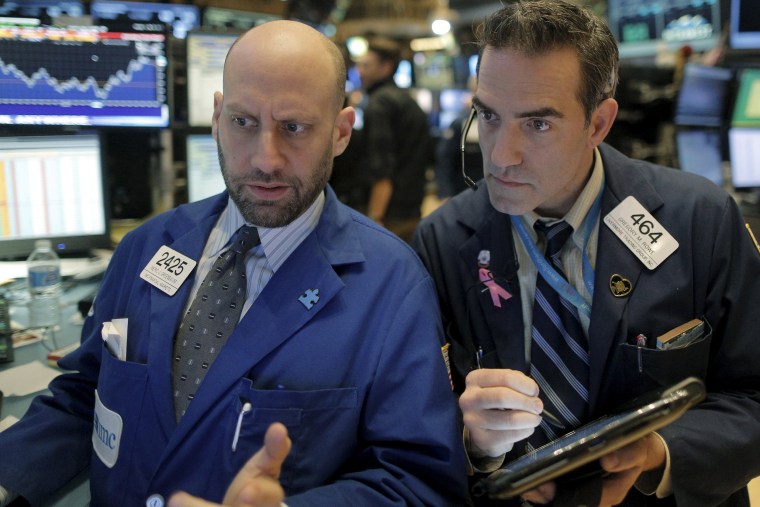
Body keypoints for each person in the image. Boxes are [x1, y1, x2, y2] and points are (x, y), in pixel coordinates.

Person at [0, 21, 468, 506]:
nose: (266, 159)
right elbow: (85, 398)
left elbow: (420, 482)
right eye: (243, 122)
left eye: (295, 127)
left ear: (341, 132)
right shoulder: (146, 246)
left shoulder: (393, 287)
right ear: (218, 116)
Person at [412, 1, 760, 505]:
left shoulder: (698, 219)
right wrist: (476, 446)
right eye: (488, 115)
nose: (500, 155)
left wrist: (660, 452)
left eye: (537, 124)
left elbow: (752, 393)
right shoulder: (443, 241)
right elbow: (413, 427)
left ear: (598, 123)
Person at [356, 36, 432, 243]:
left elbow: (382, 167)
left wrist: (375, 218)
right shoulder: (408, 100)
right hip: (412, 207)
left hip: (389, 215)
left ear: (386, 67)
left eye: (366, 65)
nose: (359, 71)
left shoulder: (379, 103)